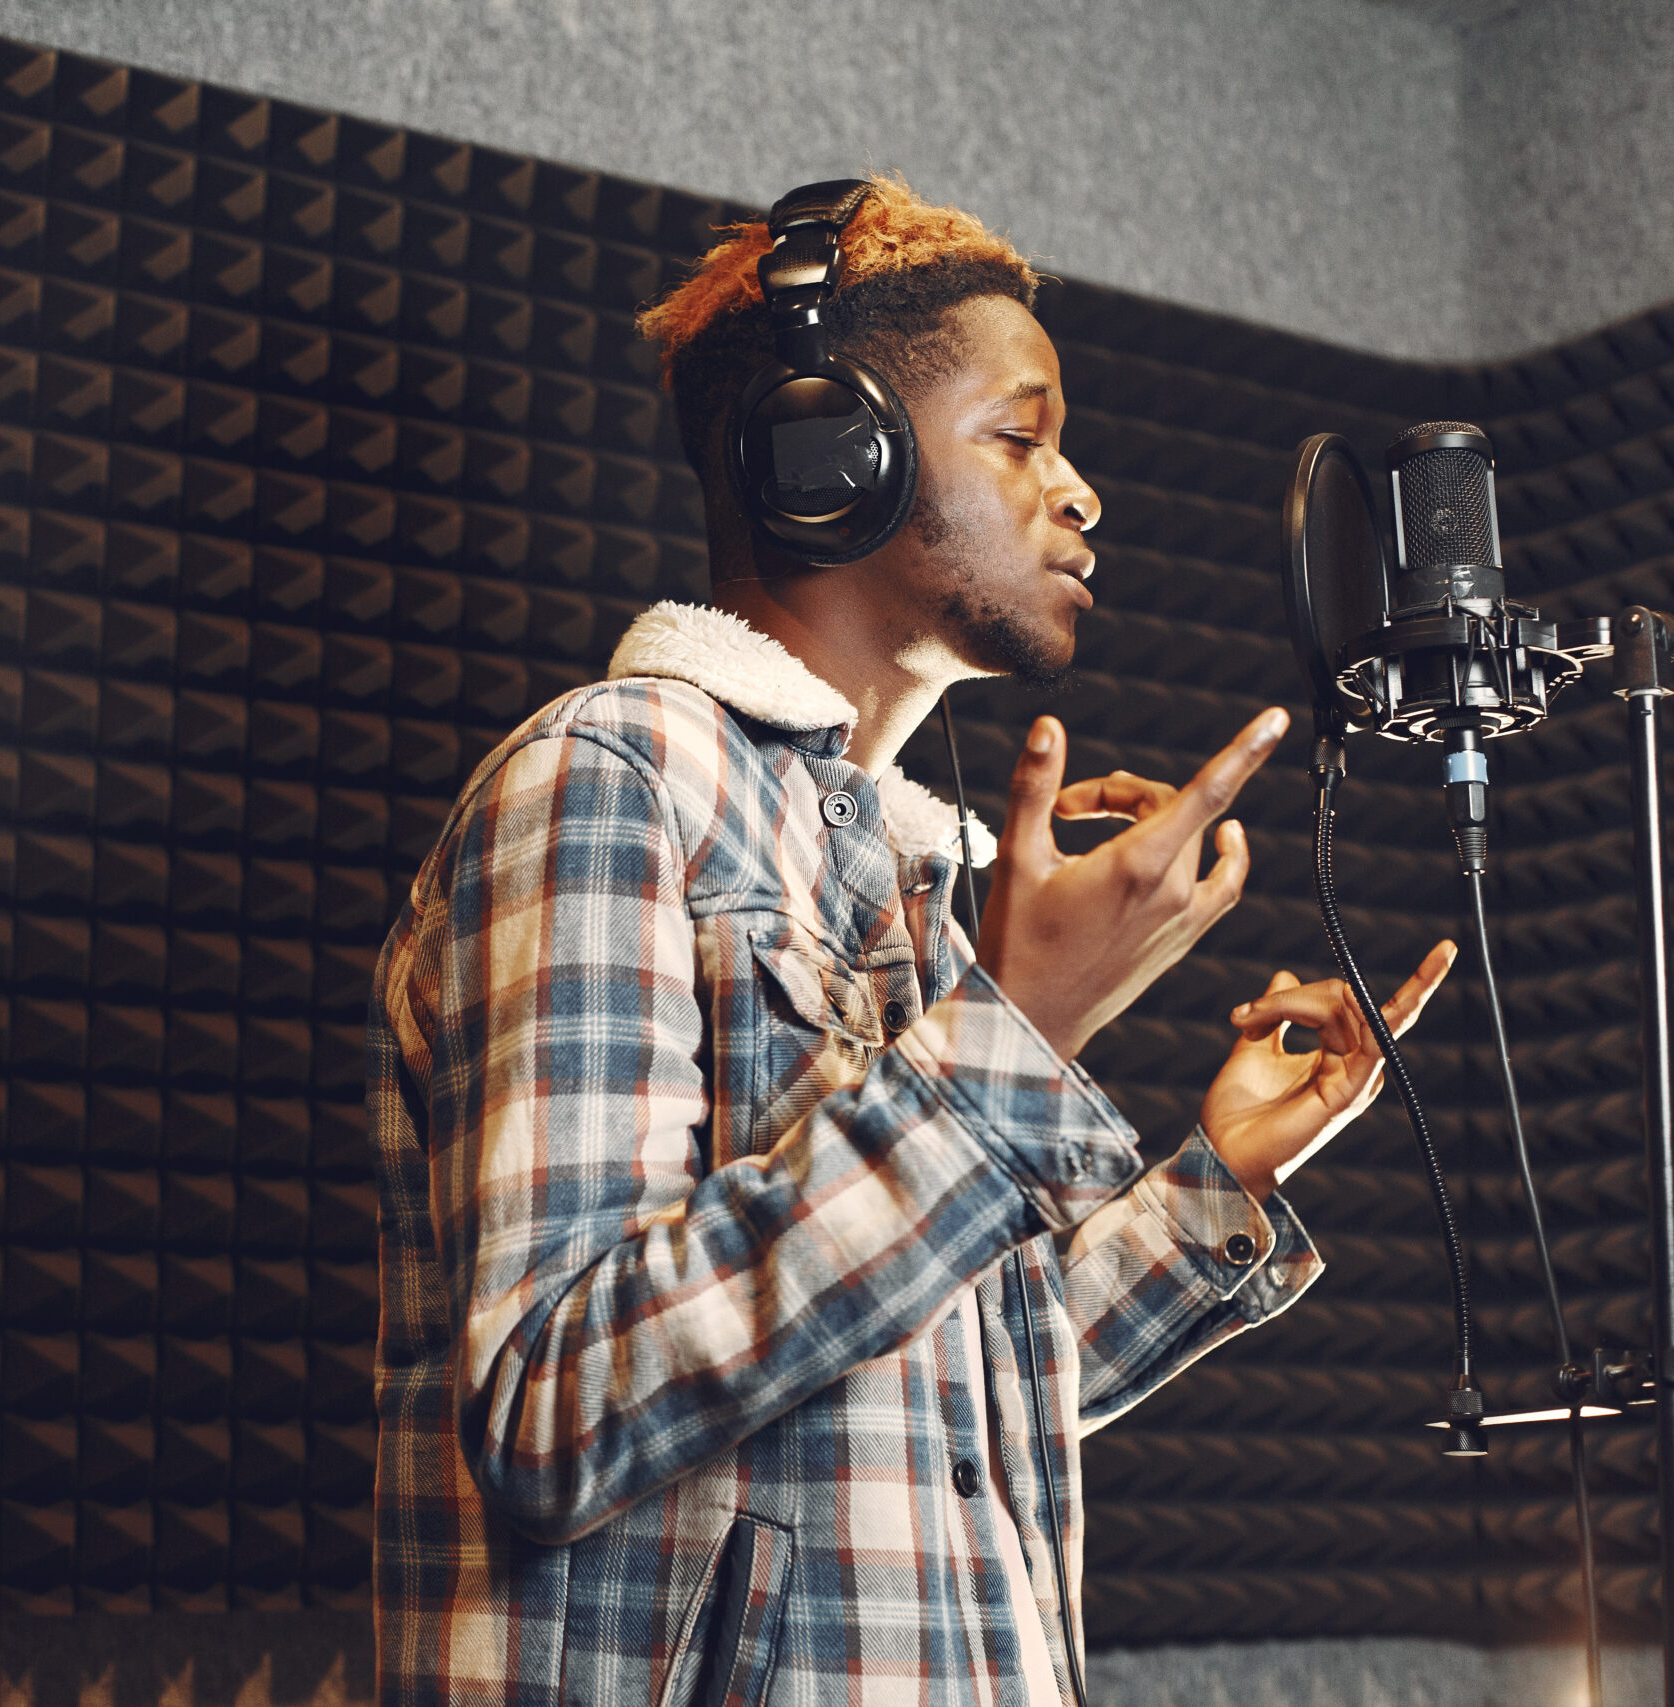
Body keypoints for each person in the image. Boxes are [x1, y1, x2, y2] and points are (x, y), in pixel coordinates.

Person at [368, 175, 1456, 1707]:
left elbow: (926, 1407)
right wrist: (1011, 1044)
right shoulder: (609, 782)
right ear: (834, 460)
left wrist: (1214, 1185)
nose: (1082, 493)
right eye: (1022, 436)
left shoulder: (906, 877)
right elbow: (557, 1405)